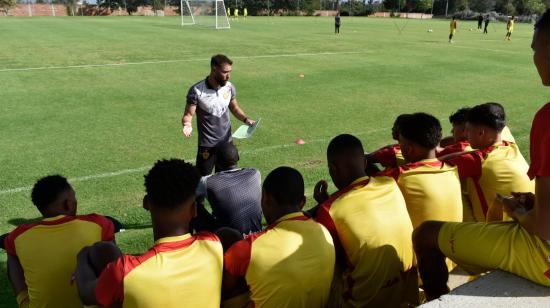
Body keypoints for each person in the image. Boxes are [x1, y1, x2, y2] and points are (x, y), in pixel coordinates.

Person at [413, 10, 550, 300]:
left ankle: (436, 300)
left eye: (535, 48)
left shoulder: (547, 119)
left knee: (425, 235)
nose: (534, 57)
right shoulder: (506, 141)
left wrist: (520, 213)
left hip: (545, 256)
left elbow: (543, 226)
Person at [75, 159, 224, 307]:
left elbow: (86, 294)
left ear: (146, 203)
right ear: (194, 209)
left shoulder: (125, 272)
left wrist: (82, 256)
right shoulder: (214, 245)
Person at [312, 134, 417, 307]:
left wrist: (326, 202)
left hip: (366, 302)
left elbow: (337, 260)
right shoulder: (390, 183)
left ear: (332, 169)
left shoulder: (329, 209)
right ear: (365, 163)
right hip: (408, 293)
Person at [223, 167, 335, 307]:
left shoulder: (247, 249)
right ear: (302, 202)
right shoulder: (324, 232)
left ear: (266, 198)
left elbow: (222, 288)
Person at [3, 175, 115, 308]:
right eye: (74, 197)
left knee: (12, 253)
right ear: (68, 203)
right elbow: (115, 266)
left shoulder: (17, 236)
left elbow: (11, 255)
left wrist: (23, 300)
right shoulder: (99, 224)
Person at [444, 103, 534, 222]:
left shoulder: (477, 161)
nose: (465, 135)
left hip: (498, 231)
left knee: (454, 184)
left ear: (481, 133)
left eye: (468, 130)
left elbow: (432, 164)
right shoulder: (508, 141)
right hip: (531, 220)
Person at [378, 113, 463, 229]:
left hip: (419, 244)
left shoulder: (400, 175)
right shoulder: (452, 170)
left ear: (409, 148)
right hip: (452, 241)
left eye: (401, 143)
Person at [182, 54, 256, 176]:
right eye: (225, 72)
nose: (228, 76)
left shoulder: (229, 87)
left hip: (227, 145)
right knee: (200, 184)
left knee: (226, 181)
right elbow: (189, 114)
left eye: (230, 72)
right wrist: (187, 124)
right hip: (207, 146)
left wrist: (246, 119)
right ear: (214, 69)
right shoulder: (196, 90)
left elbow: (235, 108)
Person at [192, 142, 262, 235]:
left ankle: (194, 241)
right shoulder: (255, 174)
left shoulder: (208, 182)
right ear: (238, 157)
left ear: (216, 161)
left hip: (229, 240)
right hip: (256, 236)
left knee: (193, 205)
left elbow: (188, 195)